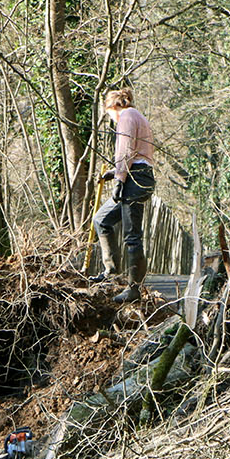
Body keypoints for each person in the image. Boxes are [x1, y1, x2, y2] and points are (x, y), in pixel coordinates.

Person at [91, 88, 156, 303]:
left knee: (132, 236)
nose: (110, 118)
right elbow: (137, 153)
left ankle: (134, 289)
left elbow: (125, 151)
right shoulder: (138, 116)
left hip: (135, 179)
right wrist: (115, 172)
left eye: (109, 113)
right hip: (139, 175)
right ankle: (111, 272)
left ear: (114, 106)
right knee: (102, 219)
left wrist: (119, 178)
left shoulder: (127, 116)